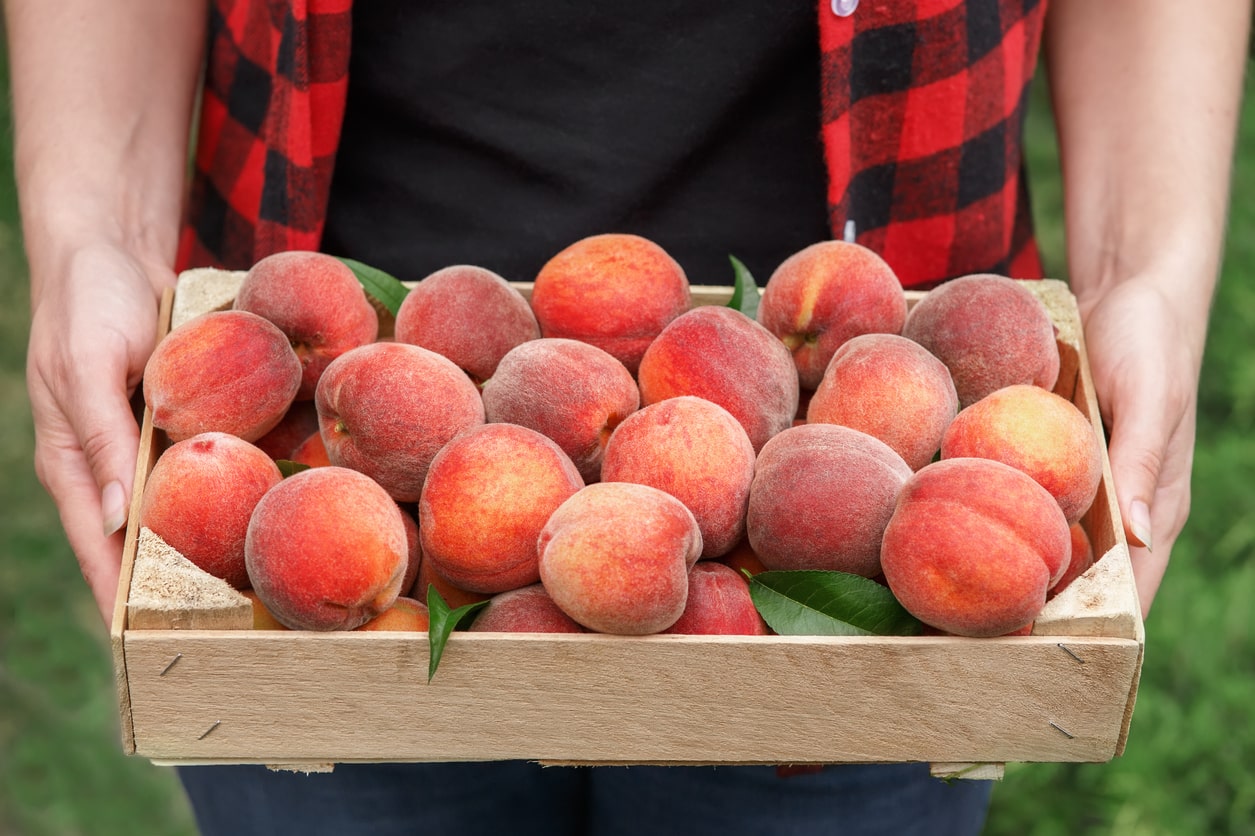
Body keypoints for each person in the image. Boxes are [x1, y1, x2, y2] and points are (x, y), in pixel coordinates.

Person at [10, 1, 1250, 834]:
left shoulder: (900, 459)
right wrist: (88, 235)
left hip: (891, 431)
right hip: (332, 399)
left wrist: (1144, 268)